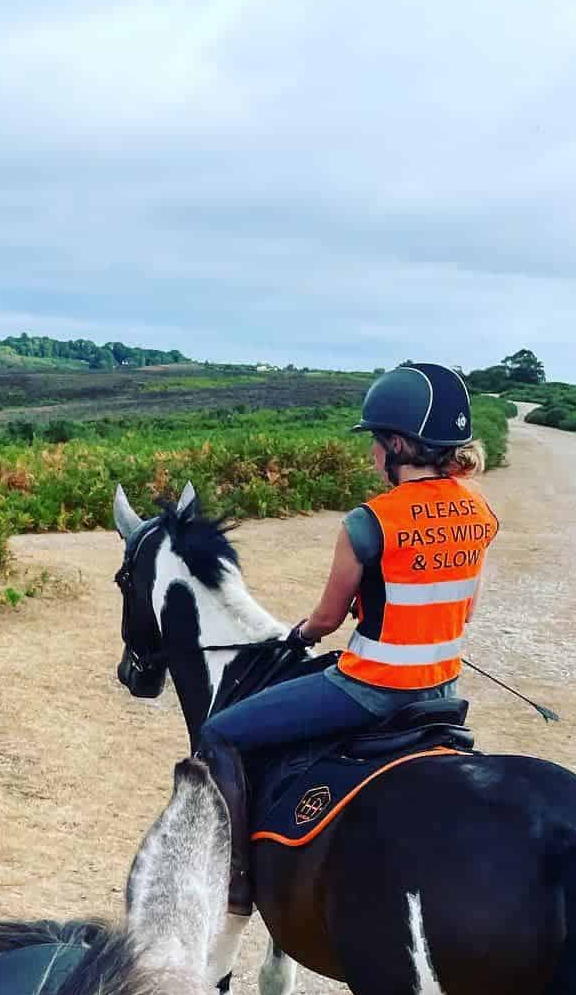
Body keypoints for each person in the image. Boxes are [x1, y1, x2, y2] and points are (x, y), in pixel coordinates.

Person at [198, 362, 499, 915]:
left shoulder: (368, 522)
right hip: (443, 690)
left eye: (376, 444)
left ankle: (236, 882)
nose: (371, 456)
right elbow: (466, 606)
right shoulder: (480, 510)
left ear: (399, 445)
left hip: (371, 689)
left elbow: (327, 620)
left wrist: (297, 634)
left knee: (220, 733)